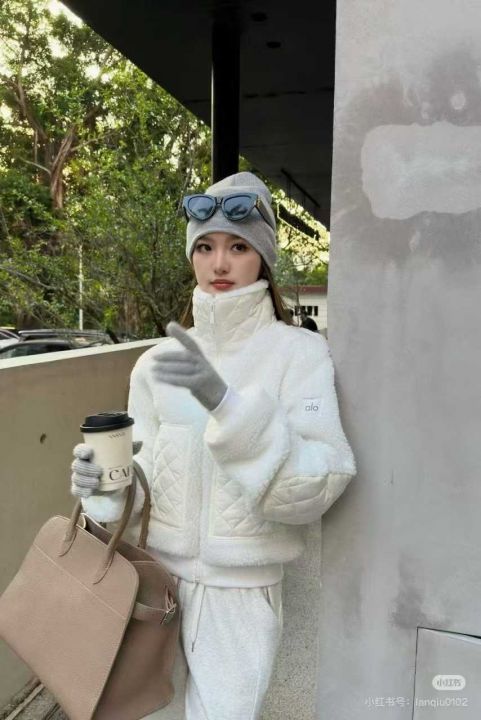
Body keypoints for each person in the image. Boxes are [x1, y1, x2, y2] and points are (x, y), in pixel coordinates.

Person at [70, 171, 356, 720]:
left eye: (238, 247)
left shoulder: (299, 356)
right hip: (154, 586)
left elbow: (319, 485)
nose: (219, 263)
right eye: (205, 247)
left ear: (262, 258)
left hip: (240, 594)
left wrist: (228, 408)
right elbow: (143, 478)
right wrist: (103, 489)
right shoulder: (155, 363)